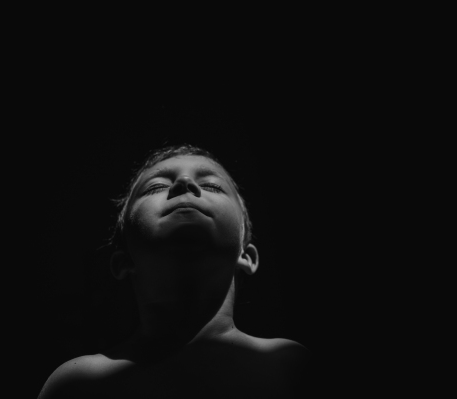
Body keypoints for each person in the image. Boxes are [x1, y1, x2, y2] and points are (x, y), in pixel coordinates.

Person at [38, 144, 313, 398]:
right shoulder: (77, 383)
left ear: (246, 255)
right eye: (156, 187)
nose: (185, 183)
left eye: (212, 186)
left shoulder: (289, 364)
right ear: (124, 262)